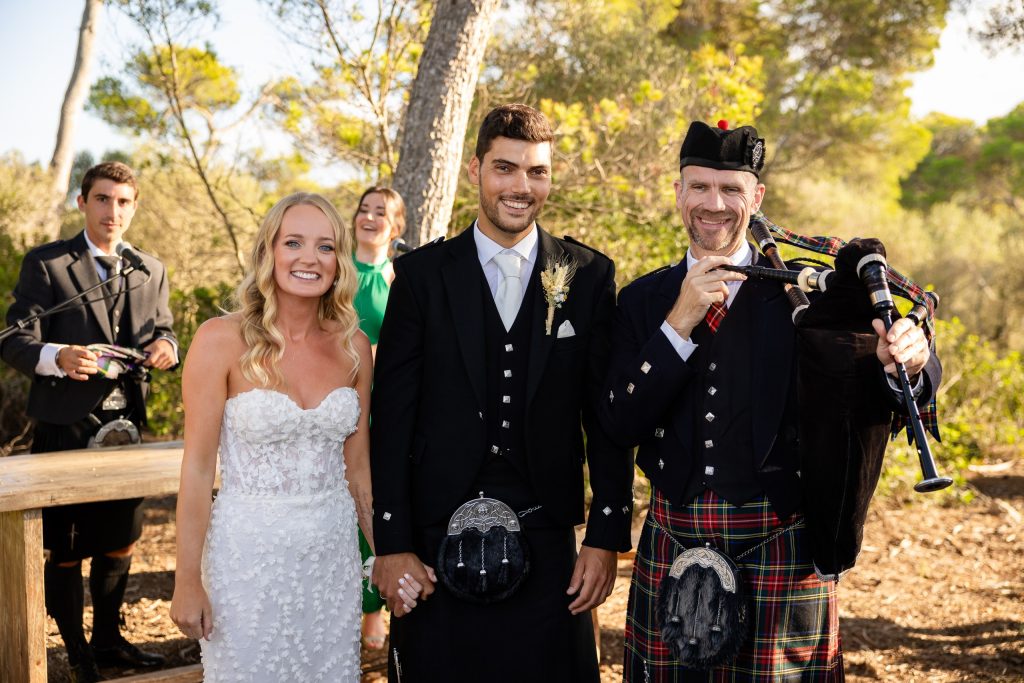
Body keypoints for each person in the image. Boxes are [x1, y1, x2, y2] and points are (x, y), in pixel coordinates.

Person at [599, 120, 942, 681]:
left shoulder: (803, 292)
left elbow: (903, 359)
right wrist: (678, 323)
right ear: (678, 192)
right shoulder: (644, 299)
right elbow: (617, 421)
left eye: (731, 189)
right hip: (672, 533)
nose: (714, 204)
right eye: (700, 187)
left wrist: (912, 355)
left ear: (755, 198)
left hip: (781, 539)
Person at [369, 103, 634, 682]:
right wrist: (390, 542)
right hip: (435, 539)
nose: (521, 186)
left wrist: (606, 535)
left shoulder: (587, 275)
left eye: (536, 172)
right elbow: (391, 417)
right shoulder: (421, 276)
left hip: (549, 538)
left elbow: (606, 417)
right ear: (475, 170)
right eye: (505, 169)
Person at [169, 193, 376, 681]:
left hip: (332, 561)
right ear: (269, 252)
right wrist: (186, 580)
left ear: (340, 262)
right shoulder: (219, 340)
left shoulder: (355, 348)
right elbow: (198, 470)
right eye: (294, 242)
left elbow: (360, 470)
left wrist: (386, 554)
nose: (309, 258)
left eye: (325, 247)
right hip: (248, 561)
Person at [1, 161, 176, 682]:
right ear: (83, 203)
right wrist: (58, 356)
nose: (113, 212)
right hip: (66, 425)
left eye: (123, 202)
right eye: (103, 199)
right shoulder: (48, 264)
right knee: (67, 545)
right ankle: (76, 652)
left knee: (121, 536)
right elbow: (14, 338)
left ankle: (108, 641)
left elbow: (163, 328)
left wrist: (168, 346)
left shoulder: (152, 268)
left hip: (127, 430)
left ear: (134, 207)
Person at [350, 185, 406, 648]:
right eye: (363, 210)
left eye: (380, 212)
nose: (369, 218)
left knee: (374, 496)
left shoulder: (401, 278)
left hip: (383, 404)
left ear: (396, 226)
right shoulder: (335, 271)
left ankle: (373, 609)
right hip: (334, 398)